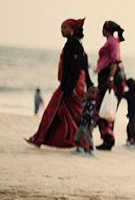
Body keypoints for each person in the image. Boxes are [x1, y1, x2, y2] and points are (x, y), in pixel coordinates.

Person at [27, 18, 93, 148]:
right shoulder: (76, 44)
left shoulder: (73, 44)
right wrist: (88, 83)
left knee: (57, 111)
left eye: (64, 27)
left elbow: (74, 68)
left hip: (71, 84)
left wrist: (69, 88)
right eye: (61, 28)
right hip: (72, 83)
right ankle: (46, 139)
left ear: (72, 29)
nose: (62, 31)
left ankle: (81, 143)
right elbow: (83, 66)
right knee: (66, 113)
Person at [95, 20, 125, 151]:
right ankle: (107, 138)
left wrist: (111, 78)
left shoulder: (112, 42)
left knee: (106, 107)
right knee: (106, 106)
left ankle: (108, 138)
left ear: (105, 29)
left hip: (110, 77)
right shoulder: (112, 41)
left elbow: (114, 61)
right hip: (108, 76)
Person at [73, 86, 98, 157]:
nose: (90, 94)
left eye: (93, 93)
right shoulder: (86, 101)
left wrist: (79, 116)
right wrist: (75, 96)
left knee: (88, 137)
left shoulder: (93, 103)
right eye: (89, 92)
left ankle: (91, 151)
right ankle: (78, 149)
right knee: (78, 136)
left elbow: (88, 113)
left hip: (89, 124)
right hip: (83, 123)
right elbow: (80, 101)